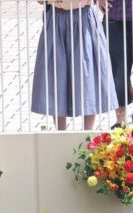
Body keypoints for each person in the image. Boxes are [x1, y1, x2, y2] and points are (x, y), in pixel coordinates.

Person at [31, 0, 118, 130]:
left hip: (84, 19)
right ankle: (61, 132)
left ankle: (87, 134)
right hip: (56, 19)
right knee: (56, 74)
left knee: (87, 75)